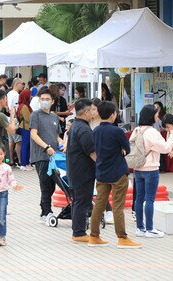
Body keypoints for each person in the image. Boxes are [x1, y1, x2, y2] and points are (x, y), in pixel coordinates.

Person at [89, 101, 141, 248]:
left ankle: (94, 236)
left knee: (99, 204)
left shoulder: (95, 131)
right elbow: (127, 149)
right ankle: (122, 238)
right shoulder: (117, 131)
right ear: (113, 115)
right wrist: (120, 150)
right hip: (118, 172)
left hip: (101, 172)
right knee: (118, 206)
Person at [133, 104, 173, 238]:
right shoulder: (152, 132)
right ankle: (150, 228)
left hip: (137, 168)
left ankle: (140, 228)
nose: (157, 116)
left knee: (139, 199)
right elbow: (165, 148)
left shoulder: (136, 130)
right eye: (156, 114)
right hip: (150, 168)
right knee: (150, 199)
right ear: (151, 116)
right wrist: (172, 134)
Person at [30, 87, 63, 223]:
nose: (44, 101)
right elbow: (33, 134)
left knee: (52, 185)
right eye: (42, 99)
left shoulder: (54, 117)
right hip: (41, 156)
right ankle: (47, 212)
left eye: (47, 99)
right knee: (45, 184)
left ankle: (44, 211)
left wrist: (63, 143)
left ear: (52, 101)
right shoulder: (36, 115)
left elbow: (57, 136)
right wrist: (46, 147)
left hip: (54, 156)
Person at [66, 99, 96, 243]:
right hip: (83, 172)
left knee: (78, 201)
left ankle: (78, 231)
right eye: (92, 110)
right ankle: (79, 233)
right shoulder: (84, 129)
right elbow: (93, 153)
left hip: (75, 171)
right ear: (86, 112)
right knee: (82, 202)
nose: (93, 113)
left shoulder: (75, 126)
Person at [7, 78, 24, 166]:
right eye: (22, 83)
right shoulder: (16, 95)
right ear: (16, 84)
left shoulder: (9, 93)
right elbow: (15, 108)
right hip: (15, 119)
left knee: (11, 141)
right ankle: (20, 161)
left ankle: (11, 159)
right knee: (18, 141)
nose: (23, 85)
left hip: (9, 119)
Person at [17, 89, 33, 171]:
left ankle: (26, 163)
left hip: (25, 127)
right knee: (25, 145)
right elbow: (28, 118)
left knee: (26, 145)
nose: (30, 97)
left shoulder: (22, 105)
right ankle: (24, 164)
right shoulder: (24, 106)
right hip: (26, 128)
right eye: (29, 95)